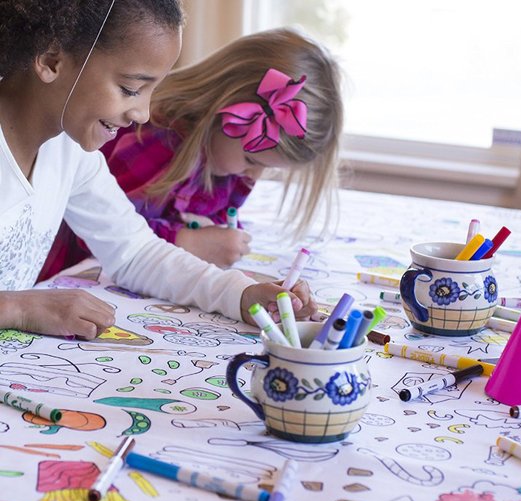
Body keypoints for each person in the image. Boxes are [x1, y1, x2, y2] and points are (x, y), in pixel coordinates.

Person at [0, 0, 316, 340]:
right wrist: (19, 307)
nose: (144, 114)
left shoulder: (70, 152)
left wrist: (239, 294)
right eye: (131, 89)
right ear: (51, 60)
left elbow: (134, 251)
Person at [38, 27, 343, 276]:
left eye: (267, 168)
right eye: (252, 161)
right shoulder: (155, 140)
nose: (253, 175)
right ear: (226, 114)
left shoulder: (227, 164)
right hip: (62, 275)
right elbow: (99, 234)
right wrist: (185, 241)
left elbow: (204, 216)